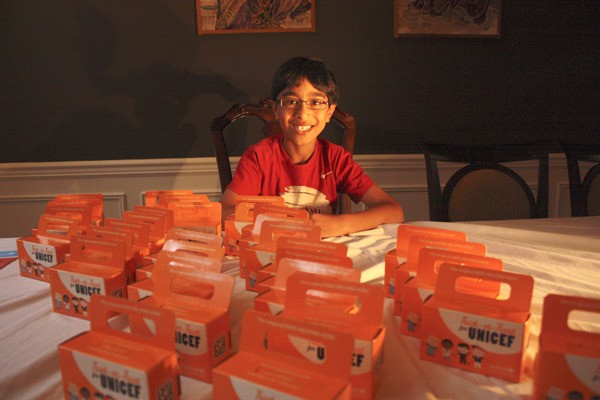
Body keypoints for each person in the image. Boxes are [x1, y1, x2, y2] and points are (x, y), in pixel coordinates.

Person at [220, 56, 404, 237]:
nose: (302, 114)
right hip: (273, 249)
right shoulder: (259, 157)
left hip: (323, 249)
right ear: (276, 109)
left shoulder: (335, 159)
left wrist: (342, 224)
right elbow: (225, 212)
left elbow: (394, 211)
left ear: (329, 111)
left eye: (315, 102)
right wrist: (291, 221)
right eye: (291, 102)